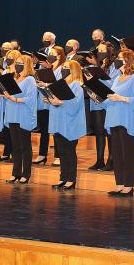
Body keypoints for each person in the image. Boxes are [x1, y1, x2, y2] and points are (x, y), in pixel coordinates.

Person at [105, 49, 134, 197]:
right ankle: (119, 184)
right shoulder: (117, 78)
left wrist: (121, 98)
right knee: (116, 154)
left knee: (127, 154)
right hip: (114, 118)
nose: (117, 60)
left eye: (120, 58)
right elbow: (111, 98)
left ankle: (128, 186)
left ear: (128, 60)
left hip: (127, 120)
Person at [47, 60, 86, 190]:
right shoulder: (61, 84)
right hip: (59, 122)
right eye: (62, 67)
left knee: (69, 152)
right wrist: (50, 100)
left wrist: (60, 102)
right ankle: (63, 178)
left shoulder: (77, 85)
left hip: (70, 124)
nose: (63, 69)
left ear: (73, 69)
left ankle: (71, 179)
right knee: (62, 152)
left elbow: (75, 104)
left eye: (66, 67)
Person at [3, 55, 37, 184]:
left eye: (20, 63)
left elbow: (30, 98)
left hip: (23, 115)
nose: (17, 65)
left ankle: (25, 174)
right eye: (16, 63)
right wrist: (4, 94)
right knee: (15, 146)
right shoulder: (13, 78)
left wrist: (15, 99)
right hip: (12, 114)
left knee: (25, 146)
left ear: (27, 64)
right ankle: (15, 173)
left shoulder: (30, 80)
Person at [87, 42, 120, 171]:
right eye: (98, 51)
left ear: (109, 51)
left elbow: (114, 83)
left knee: (109, 131)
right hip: (96, 101)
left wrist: (100, 75)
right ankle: (99, 159)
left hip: (108, 101)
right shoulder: (96, 65)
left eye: (102, 50)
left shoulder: (114, 66)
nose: (99, 53)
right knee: (99, 131)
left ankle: (111, 160)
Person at [33, 46, 65, 166]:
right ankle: (42, 154)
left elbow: (60, 85)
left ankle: (58, 156)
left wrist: (45, 83)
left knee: (56, 130)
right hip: (44, 102)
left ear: (59, 56)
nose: (50, 56)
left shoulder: (62, 68)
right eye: (49, 54)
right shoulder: (46, 68)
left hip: (55, 102)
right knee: (44, 130)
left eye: (53, 54)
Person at [0, 49, 21, 162]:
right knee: (7, 129)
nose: (8, 58)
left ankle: (14, 153)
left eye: (11, 56)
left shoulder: (19, 73)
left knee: (15, 130)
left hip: (15, 102)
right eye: (8, 56)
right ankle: (7, 151)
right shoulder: (5, 71)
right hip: (5, 101)